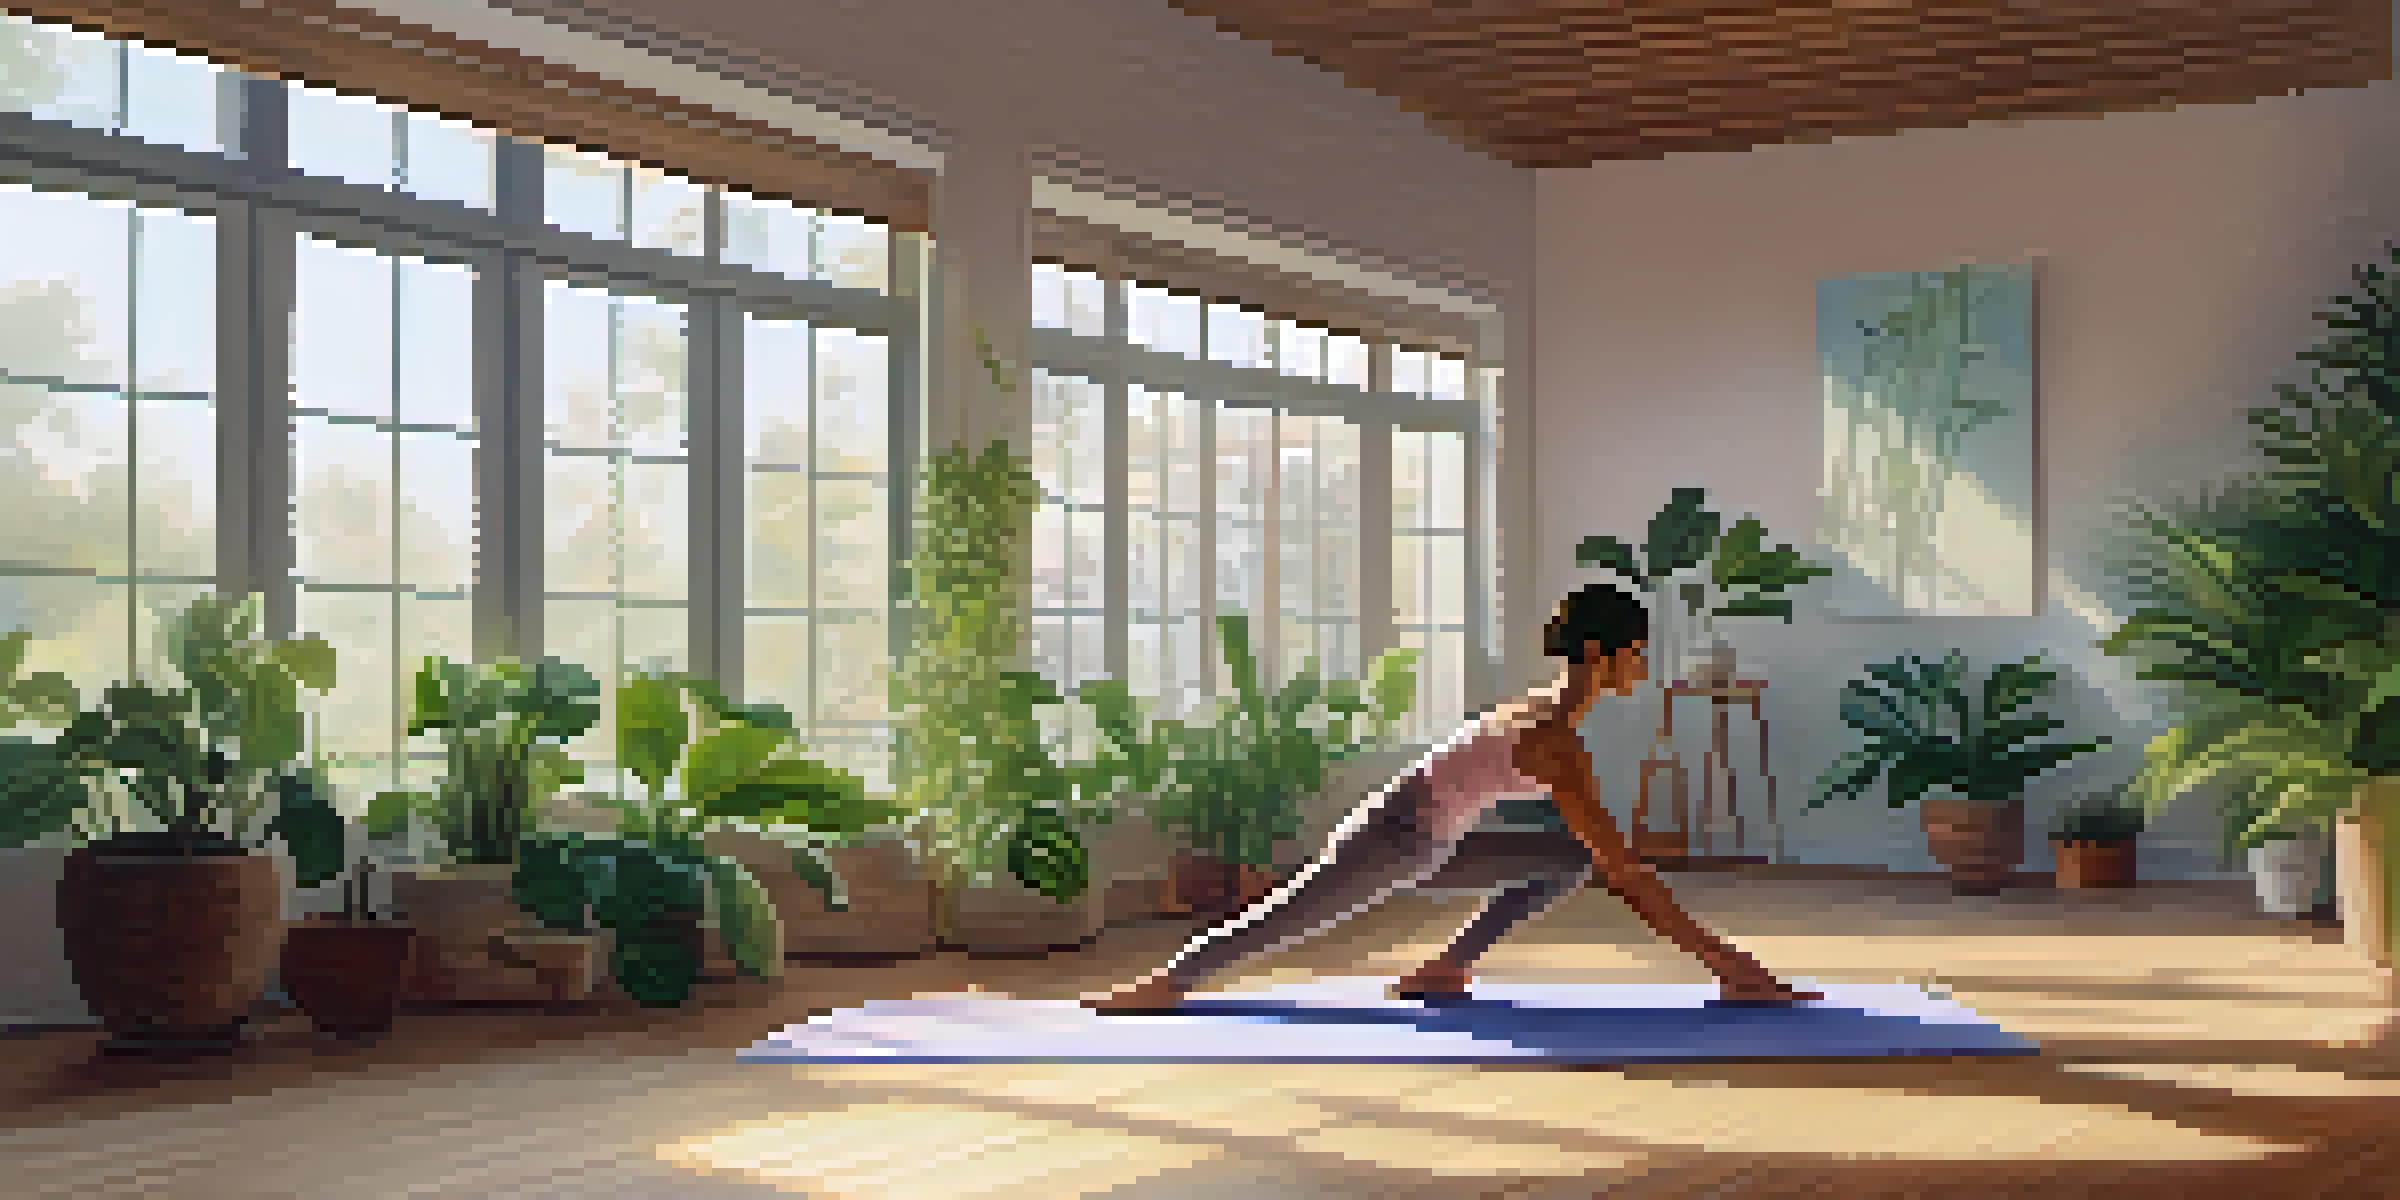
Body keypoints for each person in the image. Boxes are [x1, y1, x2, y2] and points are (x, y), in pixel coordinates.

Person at [1082, 583, 1819, 1013]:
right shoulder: (1557, 739)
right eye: (1636, 650)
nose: (1644, 664)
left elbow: (1605, 863)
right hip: (1393, 834)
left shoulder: (1553, 715)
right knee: (1290, 918)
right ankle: (1167, 982)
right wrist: (1731, 966)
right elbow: (1628, 874)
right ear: (1601, 655)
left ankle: (1446, 967)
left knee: (1564, 859)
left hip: (1437, 839)